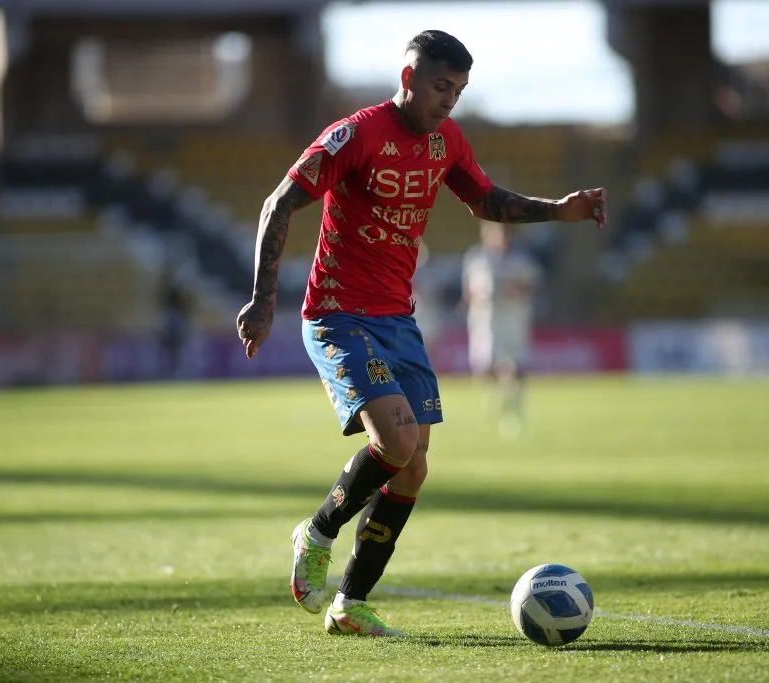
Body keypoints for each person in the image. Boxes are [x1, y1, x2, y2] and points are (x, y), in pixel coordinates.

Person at [235, 29, 607, 637]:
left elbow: (486, 201)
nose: (449, 101)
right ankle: (318, 530)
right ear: (408, 78)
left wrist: (556, 209)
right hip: (338, 313)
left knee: (412, 469)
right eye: (441, 86)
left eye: (458, 91)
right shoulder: (356, 135)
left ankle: (349, 605)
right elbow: (279, 203)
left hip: (397, 320)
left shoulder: (447, 139)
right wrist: (262, 296)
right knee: (399, 441)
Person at [462, 220, 542, 437]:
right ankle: (494, 403)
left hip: (513, 320)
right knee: (485, 368)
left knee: (514, 366)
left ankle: (513, 412)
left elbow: (531, 286)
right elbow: (468, 291)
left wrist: (516, 289)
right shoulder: (476, 258)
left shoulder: (520, 260)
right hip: (484, 321)